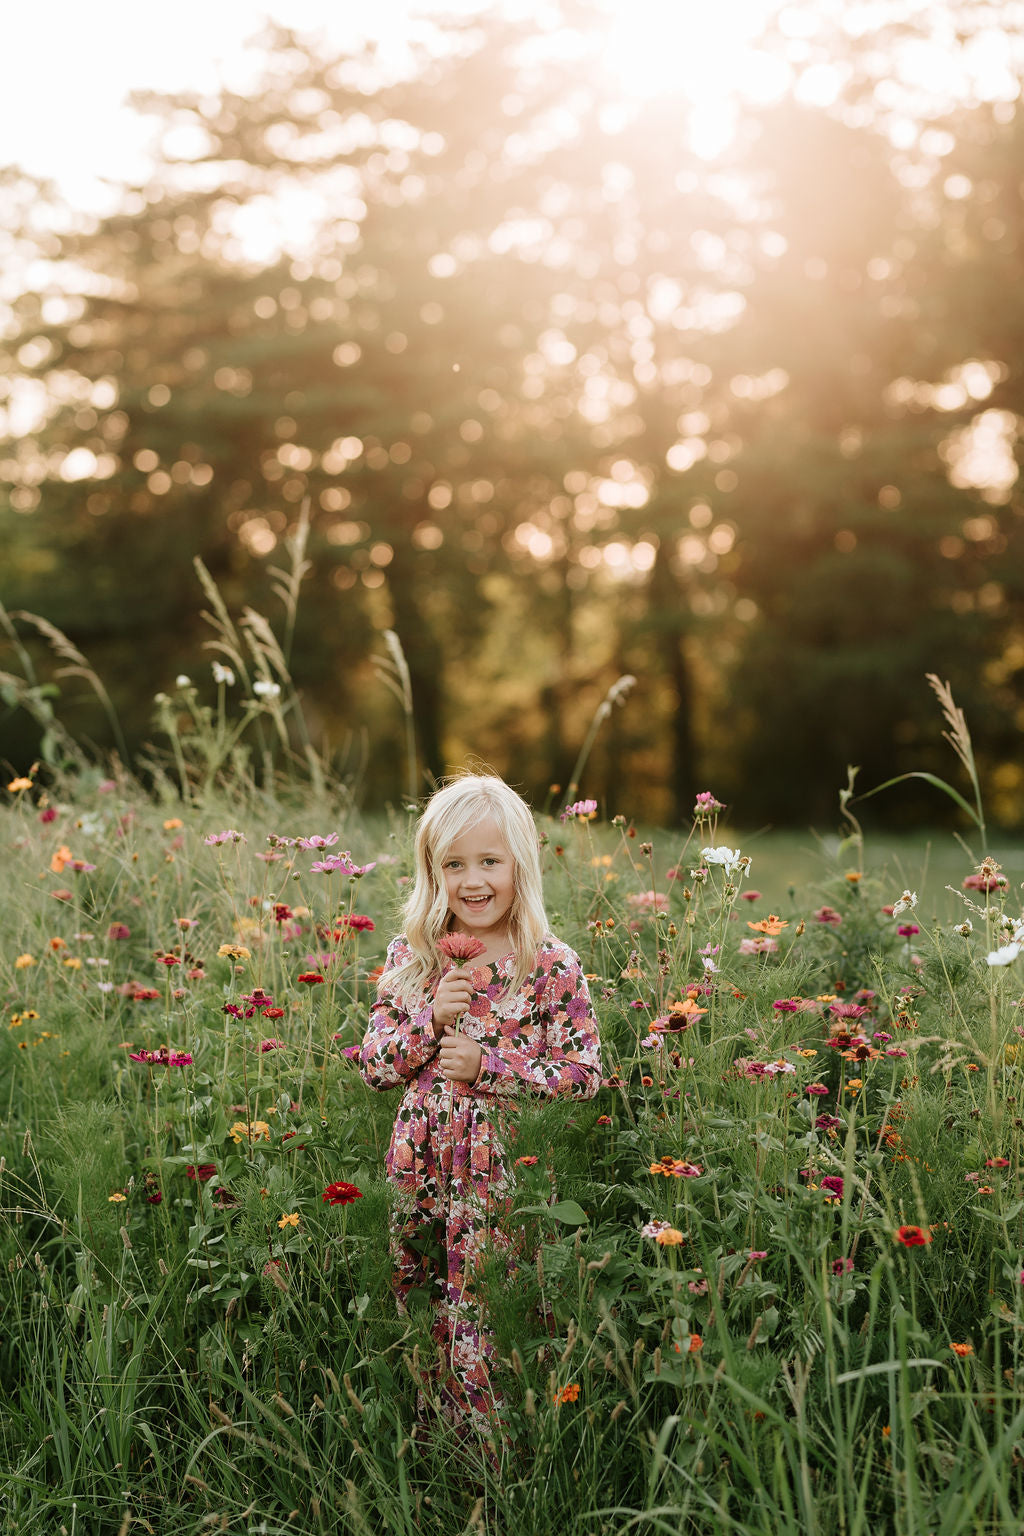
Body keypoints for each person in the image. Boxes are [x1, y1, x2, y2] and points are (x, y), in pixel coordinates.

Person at [359, 773, 602, 1438]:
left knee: (491, 1309)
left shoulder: (551, 965)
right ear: (431, 873)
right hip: (420, 1171)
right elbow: (374, 1066)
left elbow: (584, 1076)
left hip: (505, 1180)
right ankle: (428, 1450)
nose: (473, 881)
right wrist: (428, 1025)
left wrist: (492, 1068)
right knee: (421, 1300)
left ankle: (496, 1461)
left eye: (489, 861)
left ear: (519, 864)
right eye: (454, 864)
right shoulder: (411, 958)